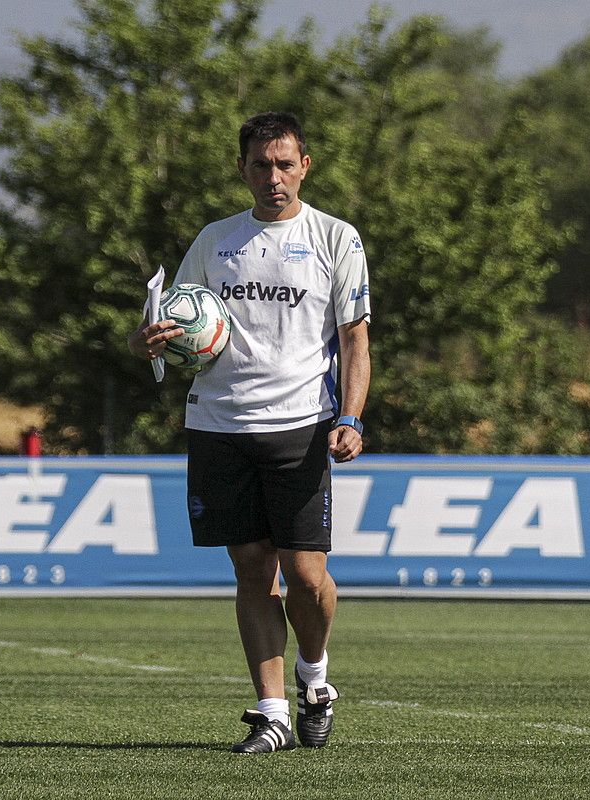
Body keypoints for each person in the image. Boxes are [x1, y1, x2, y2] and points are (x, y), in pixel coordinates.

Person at [128, 112, 371, 753]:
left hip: (300, 424)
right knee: (251, 569)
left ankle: (314, 678)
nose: (274, 177)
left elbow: (355, 341)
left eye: (285, 164)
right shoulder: (215, 240)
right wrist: (151, 338)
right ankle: (272, 713)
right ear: (243, 170)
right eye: (261, 165)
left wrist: (350, 416)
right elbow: (177, 321)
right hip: (218, 422)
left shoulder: (335, 238)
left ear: (305, 166)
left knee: (307, 575)